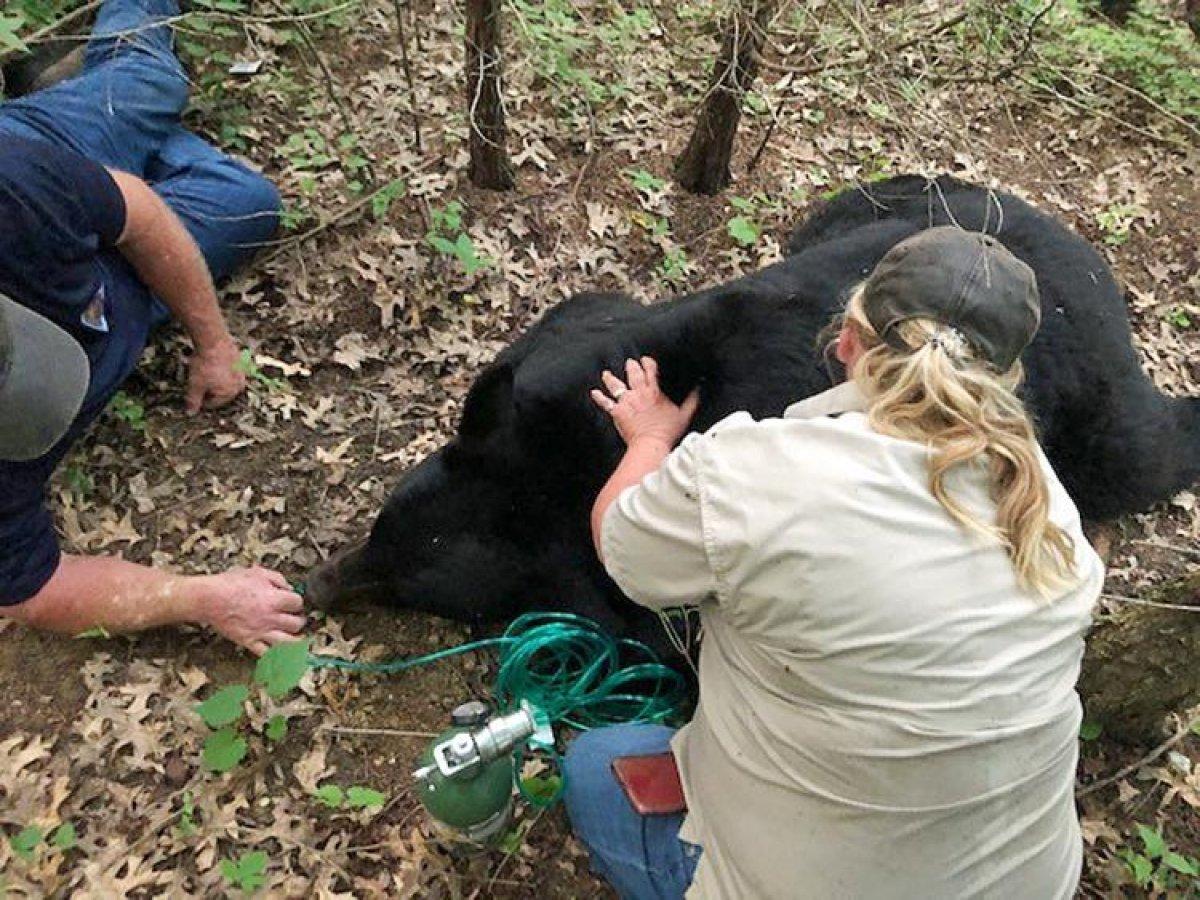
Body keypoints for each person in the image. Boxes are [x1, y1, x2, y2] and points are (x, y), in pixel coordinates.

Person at [565, 227, 1105, 899]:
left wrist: (649, 438)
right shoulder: (1050, 516)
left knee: (594, 765)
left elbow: (622, 543)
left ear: (848, 340)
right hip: (1032, 885)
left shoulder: (755, 474)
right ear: (1004, 381)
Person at [0, 0, 304, 654]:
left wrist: (216, 344)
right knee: (246, 204)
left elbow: (136, 213)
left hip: (45, 161)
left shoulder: (11, 191)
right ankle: (107, 126)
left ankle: (116, 69)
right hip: (93, 245)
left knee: (148, 83)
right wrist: (202, 597)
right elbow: (34, 591)